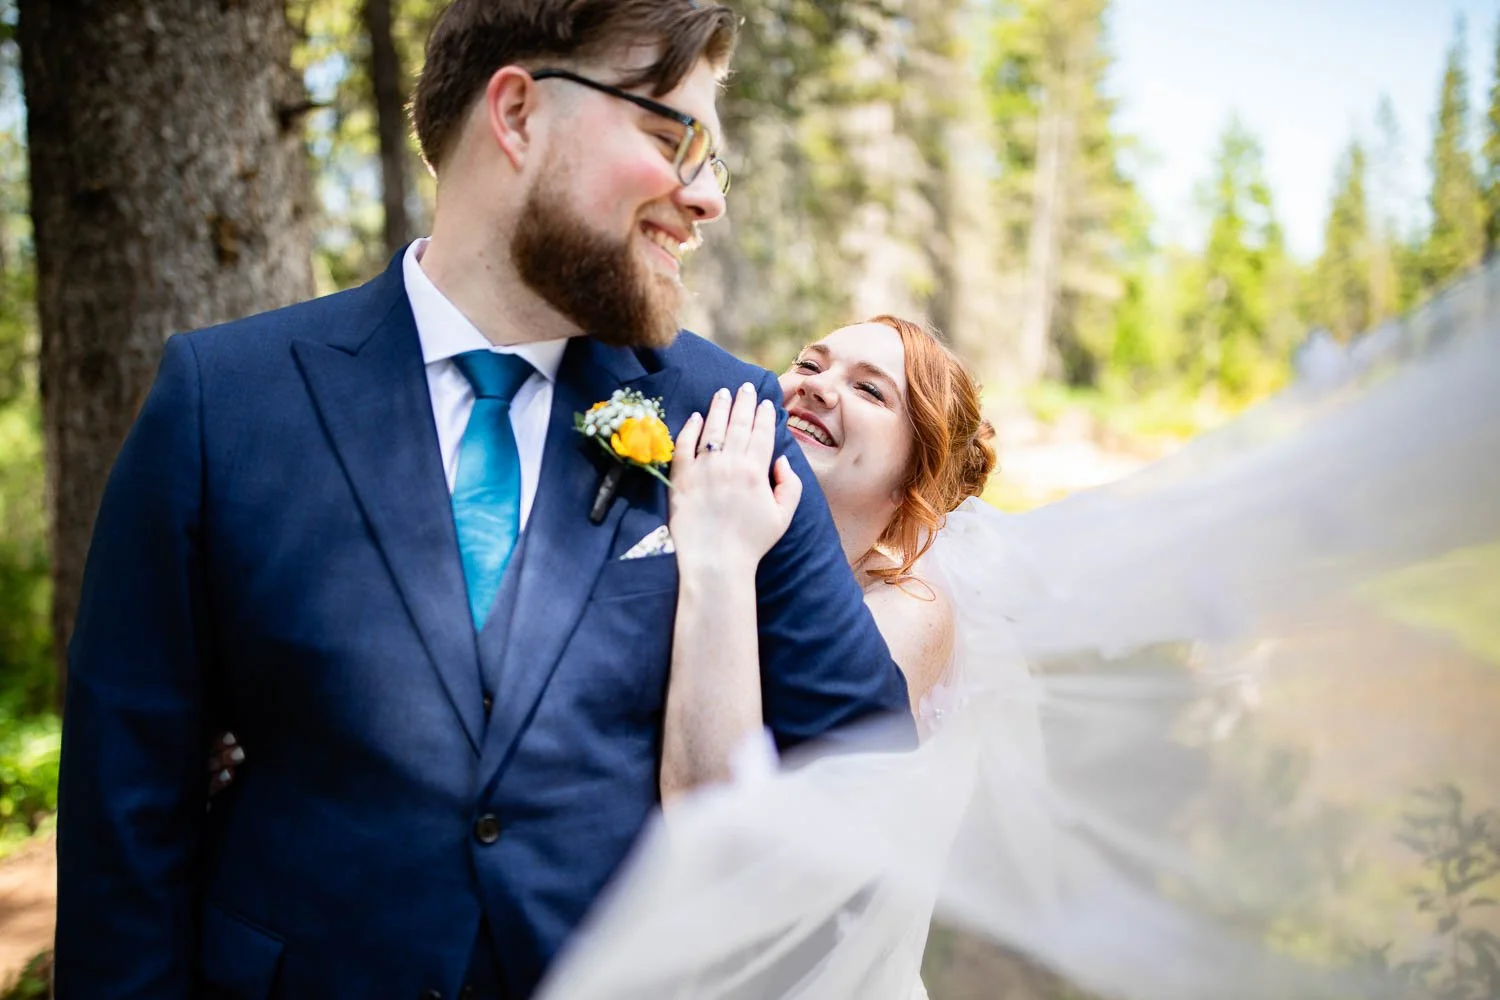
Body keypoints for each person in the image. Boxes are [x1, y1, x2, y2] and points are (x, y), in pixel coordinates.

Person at [52, 3, 914, 998]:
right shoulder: (224, 401)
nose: (706, 197)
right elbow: (127, 825)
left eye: (712, 158)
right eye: (671, 135)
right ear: (517, 114)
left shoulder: (729, 415)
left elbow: (865, 773)